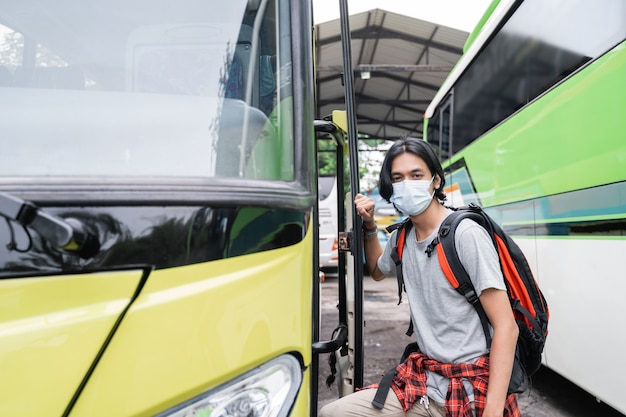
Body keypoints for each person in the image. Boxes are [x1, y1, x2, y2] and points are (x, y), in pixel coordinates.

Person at [319, 137, 520, 417]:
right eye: (397, 178)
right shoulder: (402, 236)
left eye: (416, 175)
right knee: (334, 413)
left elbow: (507, 327)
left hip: (471, 385)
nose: (407, 184)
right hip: (423, 380)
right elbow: (377, 270)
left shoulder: (466, 235)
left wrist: (493, 410)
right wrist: (369, 226)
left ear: (436, 180)